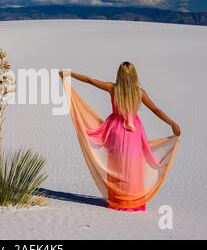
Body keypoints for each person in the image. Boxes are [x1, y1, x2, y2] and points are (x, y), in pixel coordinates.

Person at [60, 62, 181, 212]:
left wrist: (70, 74)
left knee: (118, 165)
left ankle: (118, 199)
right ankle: (132, 201)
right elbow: (156, 109)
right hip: (134, 133)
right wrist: (172, 123)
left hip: (115, 130)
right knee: (133, 166)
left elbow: (91, 80)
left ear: (119, 74)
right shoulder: (140, 92)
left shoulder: (113, 88)